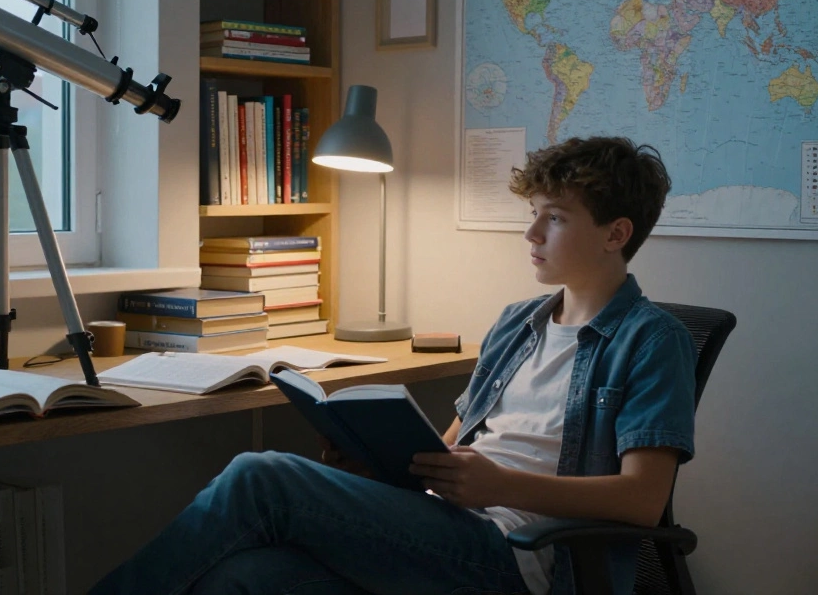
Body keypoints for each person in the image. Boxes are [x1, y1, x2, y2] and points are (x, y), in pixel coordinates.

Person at [89, 136, 696, 595]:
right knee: (248, 575)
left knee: (260, 476)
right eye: (534, 211)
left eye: (556, 217)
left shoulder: (651, 340)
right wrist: (380, 468)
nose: (532, 231)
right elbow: (451, 450)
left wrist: (500, 486)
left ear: (616, 233)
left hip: (522, 556)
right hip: (448, 525)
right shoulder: (519, 322)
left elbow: (643, 500)